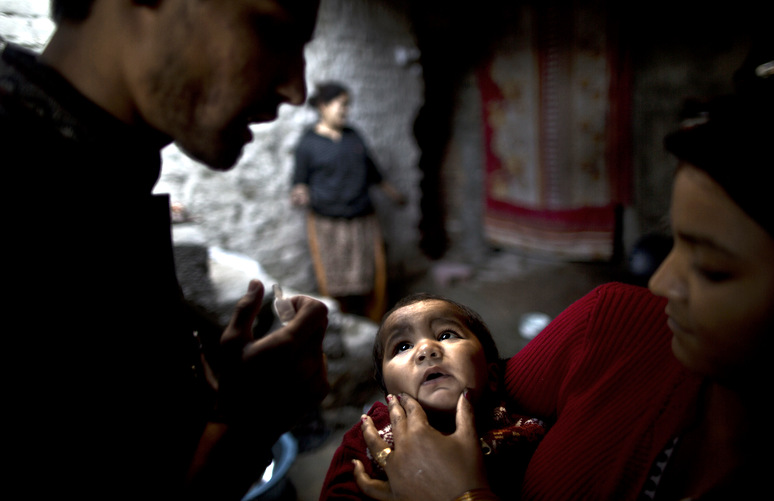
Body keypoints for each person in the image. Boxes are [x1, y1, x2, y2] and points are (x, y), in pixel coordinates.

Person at [352, 43, 774, 500]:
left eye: (711, 269)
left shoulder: (510, 437)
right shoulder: (613, 324)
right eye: (675, 242)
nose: (661, 283)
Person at [1, 1, 329, 499]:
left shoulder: (103, 176)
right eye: (273, 30)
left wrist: (226, 410)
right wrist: (250, 423)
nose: (296, 89)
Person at [320, 293, 547, 500]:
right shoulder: (369, 439)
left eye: (446, 335)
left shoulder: (523, 430)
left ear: (492, 376)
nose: (426, 349)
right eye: (402, 346)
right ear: (390, 394)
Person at [291, 82, 406, 322]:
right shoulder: (308, 143)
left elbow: (373, 170)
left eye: (347, 105)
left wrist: (393, 193)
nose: (345, 110)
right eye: (340, 105)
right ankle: (341, 321)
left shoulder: (353, 136)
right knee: (334, 276)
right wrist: (299, 193)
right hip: (327, 221)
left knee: (368, 274)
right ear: (323, 106)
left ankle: (373, 322)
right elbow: (300, 180)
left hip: (361, 216)